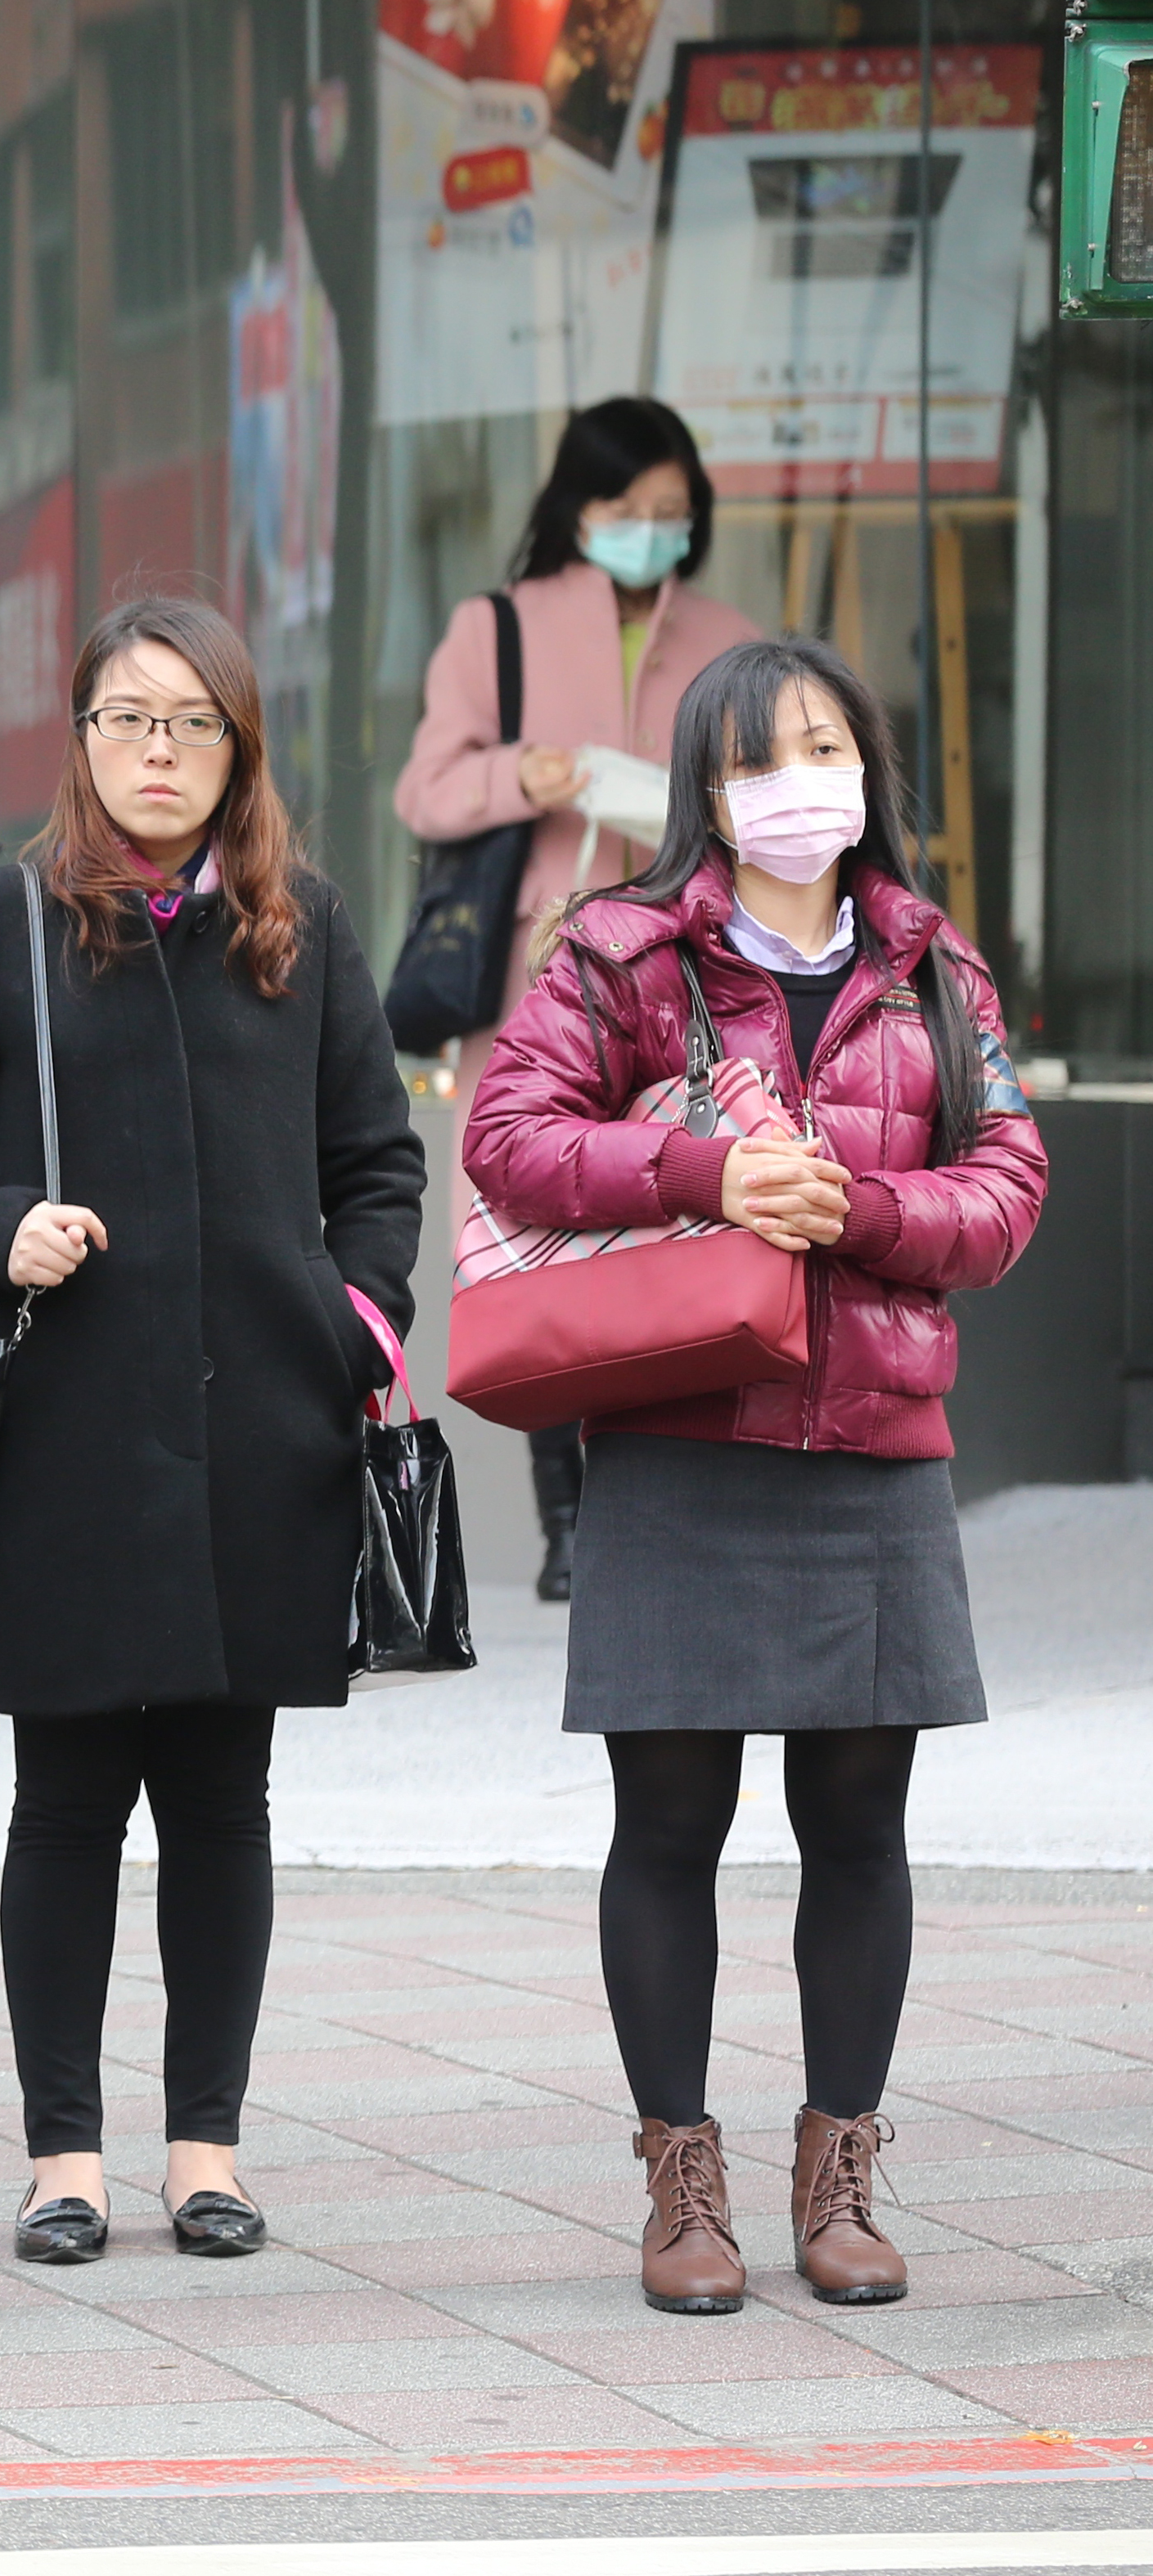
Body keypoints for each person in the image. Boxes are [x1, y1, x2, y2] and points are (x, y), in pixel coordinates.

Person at [463, 638, 1043, 2318]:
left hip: (875, 1443)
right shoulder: (622, 951)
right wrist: (705, 1171)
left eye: (829, 750)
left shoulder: (937, 966)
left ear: (869, 772)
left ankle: (838, 2170)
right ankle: (682, 2181)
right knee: (668, 1820)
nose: (803, 784)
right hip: (679, 1435)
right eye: (762, 759)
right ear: (708, 792)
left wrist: (857, 1207)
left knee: (859, 1820)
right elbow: (507, 1137)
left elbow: (1007, 1186)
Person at [0, 598, 425, 2270]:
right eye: (126, 718)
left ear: (237, 746)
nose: (159, 751)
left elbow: (377, 1162)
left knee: (221, 1801)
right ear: (82, 736)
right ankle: (63, 2158)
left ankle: (204, 2151)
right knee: (63, 1803)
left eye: (193, 722)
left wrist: (353, 1322)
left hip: (263, 1429)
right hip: (69, 1434)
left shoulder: (298, 923)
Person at [394, 396, 759, 1601]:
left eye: (674, 510)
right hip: (535, 977)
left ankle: (650, 1503)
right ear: (578, 509)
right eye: (628, 508)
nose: (654, 529)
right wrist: (526, 774)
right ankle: (569, 1525)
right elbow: (426, 791)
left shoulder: (730, 638)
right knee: (541, 1221)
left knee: (677, 1214)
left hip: (693, 976)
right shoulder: (498, 627)